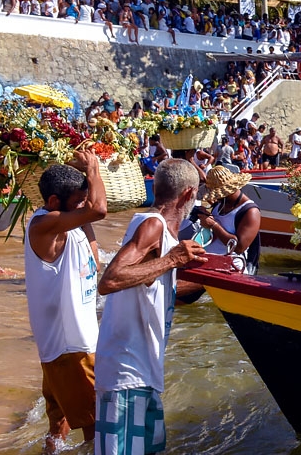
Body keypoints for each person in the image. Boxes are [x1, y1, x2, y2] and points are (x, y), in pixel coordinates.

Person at [94, 159, 208, 454]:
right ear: (187, 195)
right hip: (126, 374)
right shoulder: (152, 225)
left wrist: (214, 283)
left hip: (142, 372)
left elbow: (153, 289)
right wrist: (173, 260)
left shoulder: (160, 231)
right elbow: (110, 279)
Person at [25, 154, 107, 454]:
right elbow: (100, 209)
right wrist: (94, 169)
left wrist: (84, 207)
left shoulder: (71, 226)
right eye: (78, 202)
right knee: (96, 428)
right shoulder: (43, 225)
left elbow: (94, 264)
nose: (84, 206)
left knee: (58, 426)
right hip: (71, 349)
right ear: (55, 201)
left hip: (62, 345)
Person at [195, 166, 262, 275]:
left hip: (230, 268)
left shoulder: (250, 211)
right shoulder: (221, 204)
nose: (215, 198)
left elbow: (240, 247)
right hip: (209, 263)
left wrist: (213, 225)